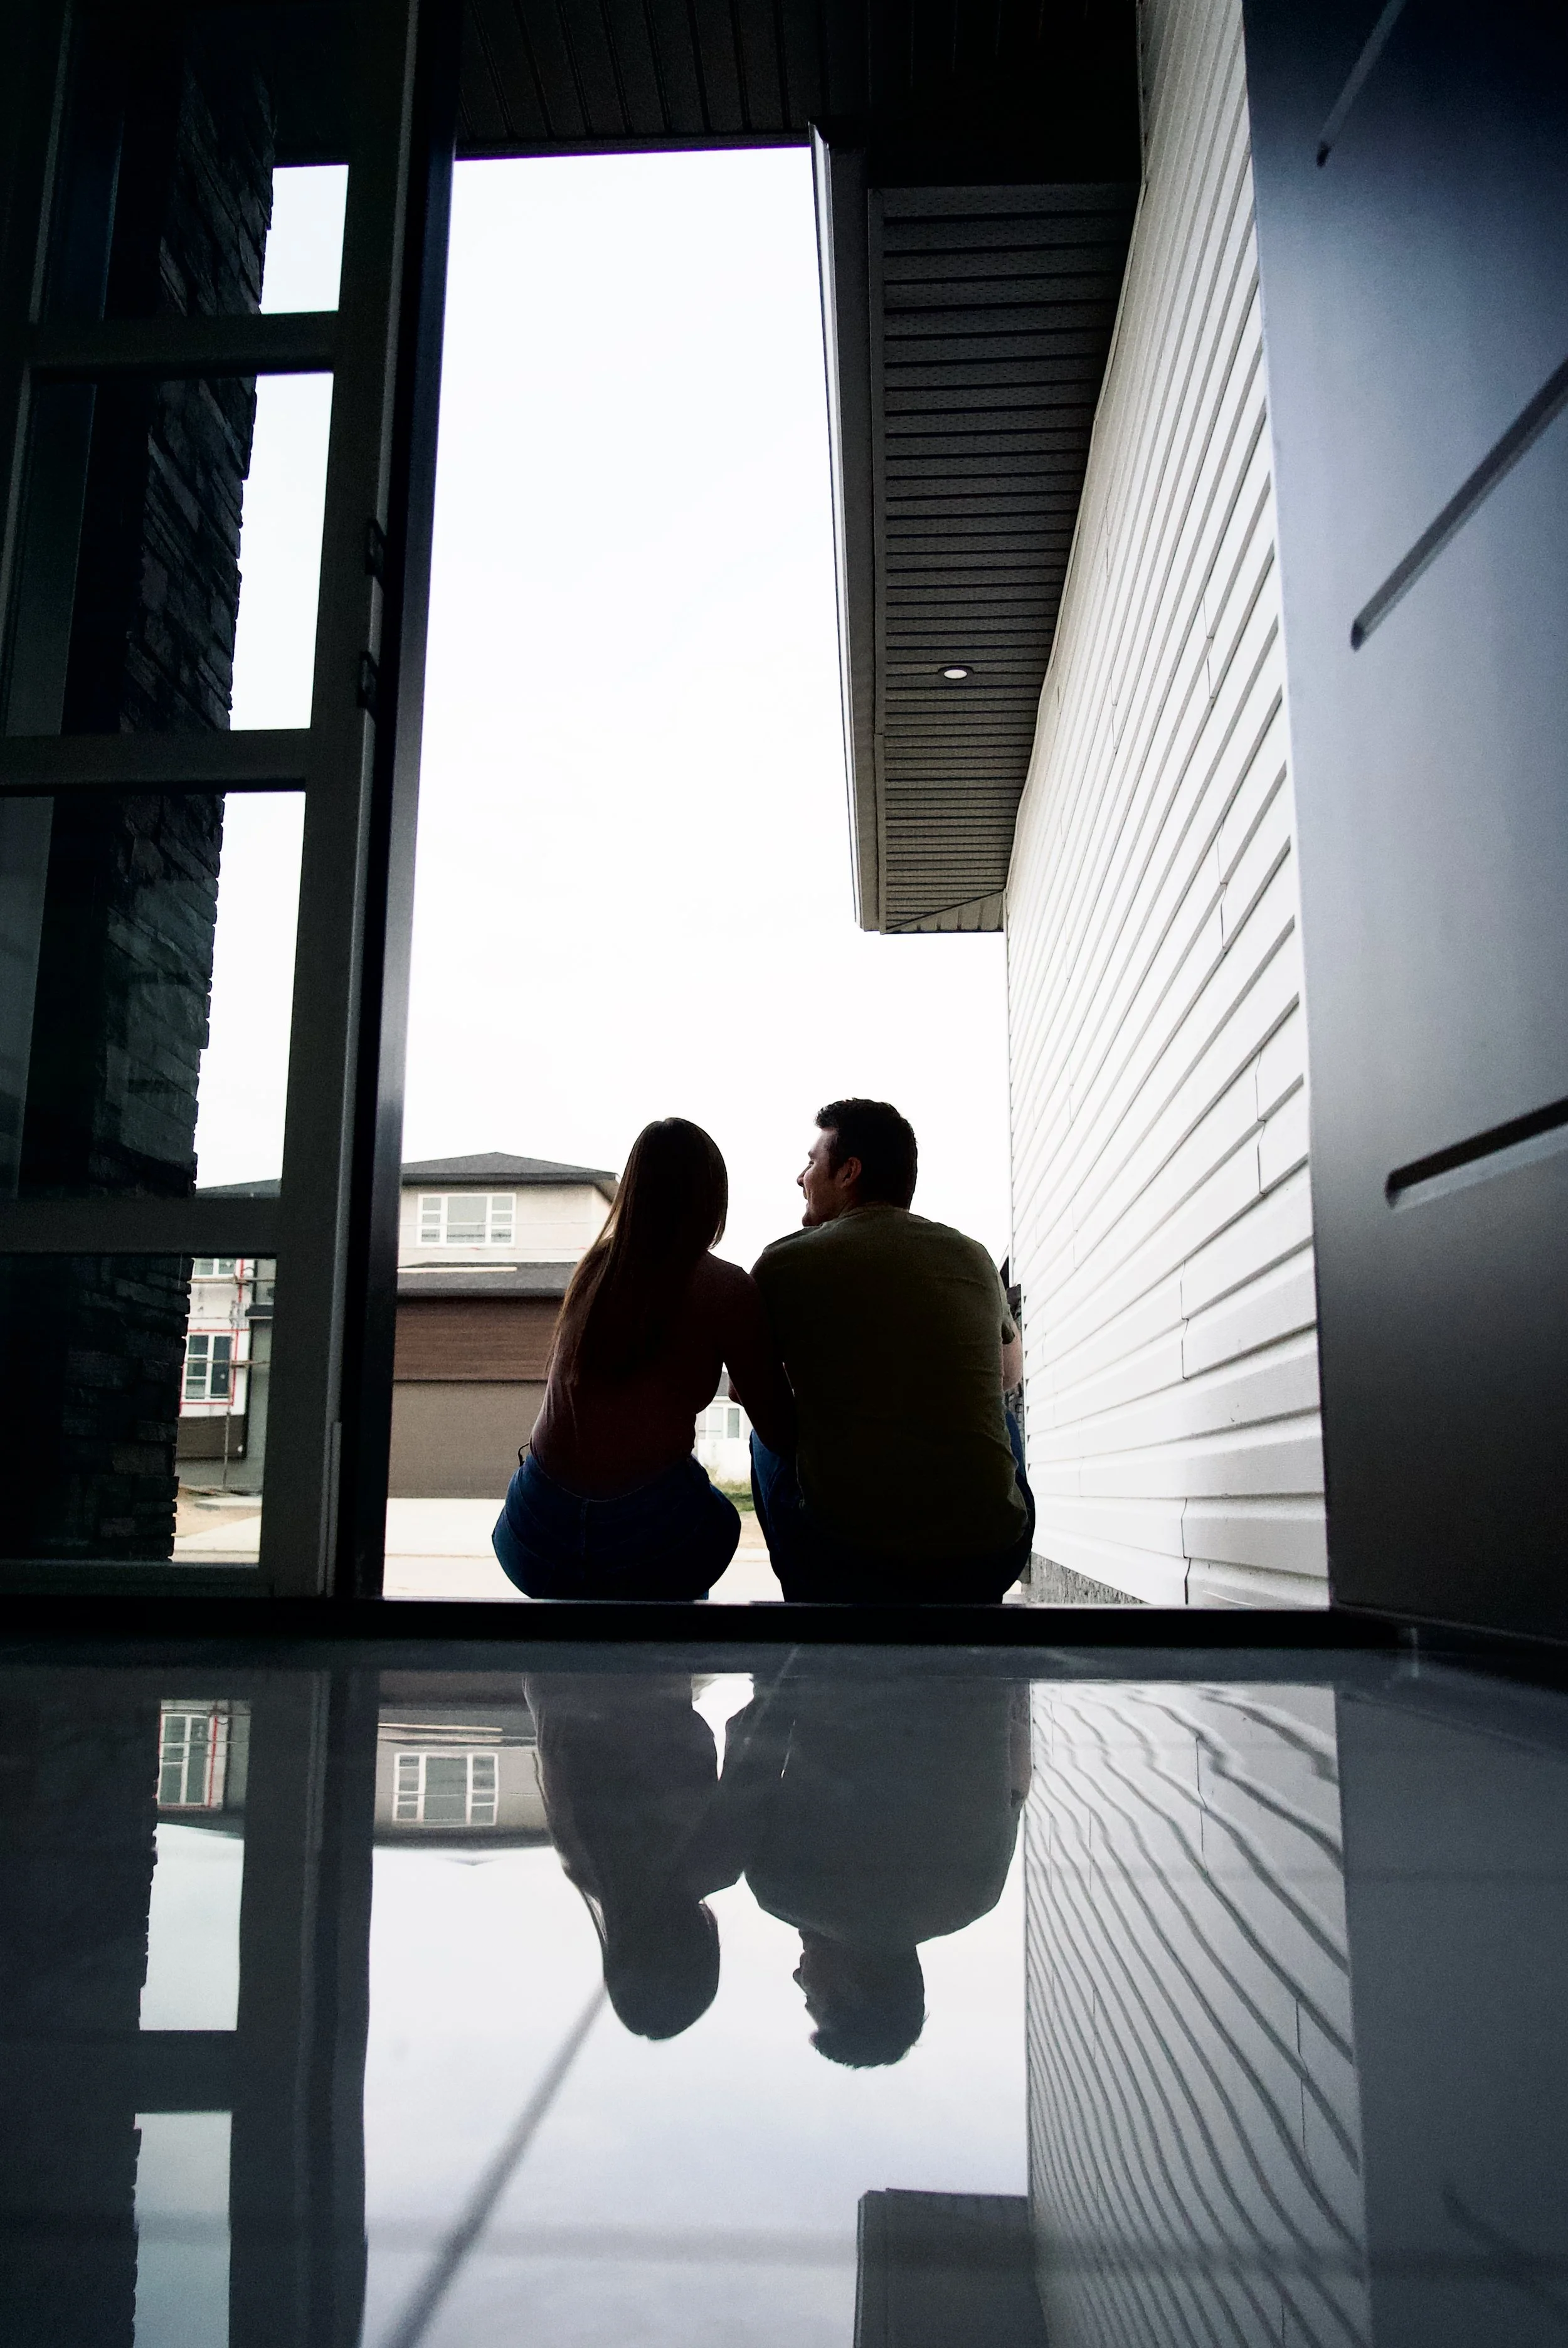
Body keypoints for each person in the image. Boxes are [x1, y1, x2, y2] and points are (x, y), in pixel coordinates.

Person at [492, 1118, 794, 1599]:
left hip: (534, 1535)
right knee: (721, 1513)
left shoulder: (596, 1269)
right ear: (712, 1196)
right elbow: (780, 1429)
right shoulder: (725, 1287)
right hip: (647, 1548)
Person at [750, 1097, 1034, 1602]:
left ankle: (811, 1606)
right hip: (988, 1559)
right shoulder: (971, 1254)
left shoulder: (784, 1262)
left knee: (764, 1432)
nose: (801, 1177)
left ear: (849, 1172)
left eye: (812, 1161)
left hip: (846, 1562)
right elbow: (1008, 1373)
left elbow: (752, 1394)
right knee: (999, 1418)